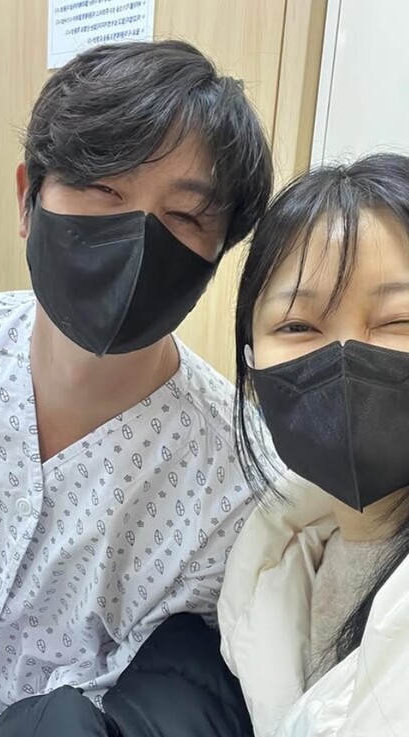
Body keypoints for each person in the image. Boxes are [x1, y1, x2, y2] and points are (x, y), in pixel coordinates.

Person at [0, 40, 272, 736]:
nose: (137, 236)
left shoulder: (235, 482)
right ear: (28, 199)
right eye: (104, 188)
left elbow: (150, 695)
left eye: (186, 217)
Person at [219, 153, 409, 736]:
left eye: (399, 321)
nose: (345, 356)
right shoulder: (264, 572)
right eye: (298, 326)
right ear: (252, 370)